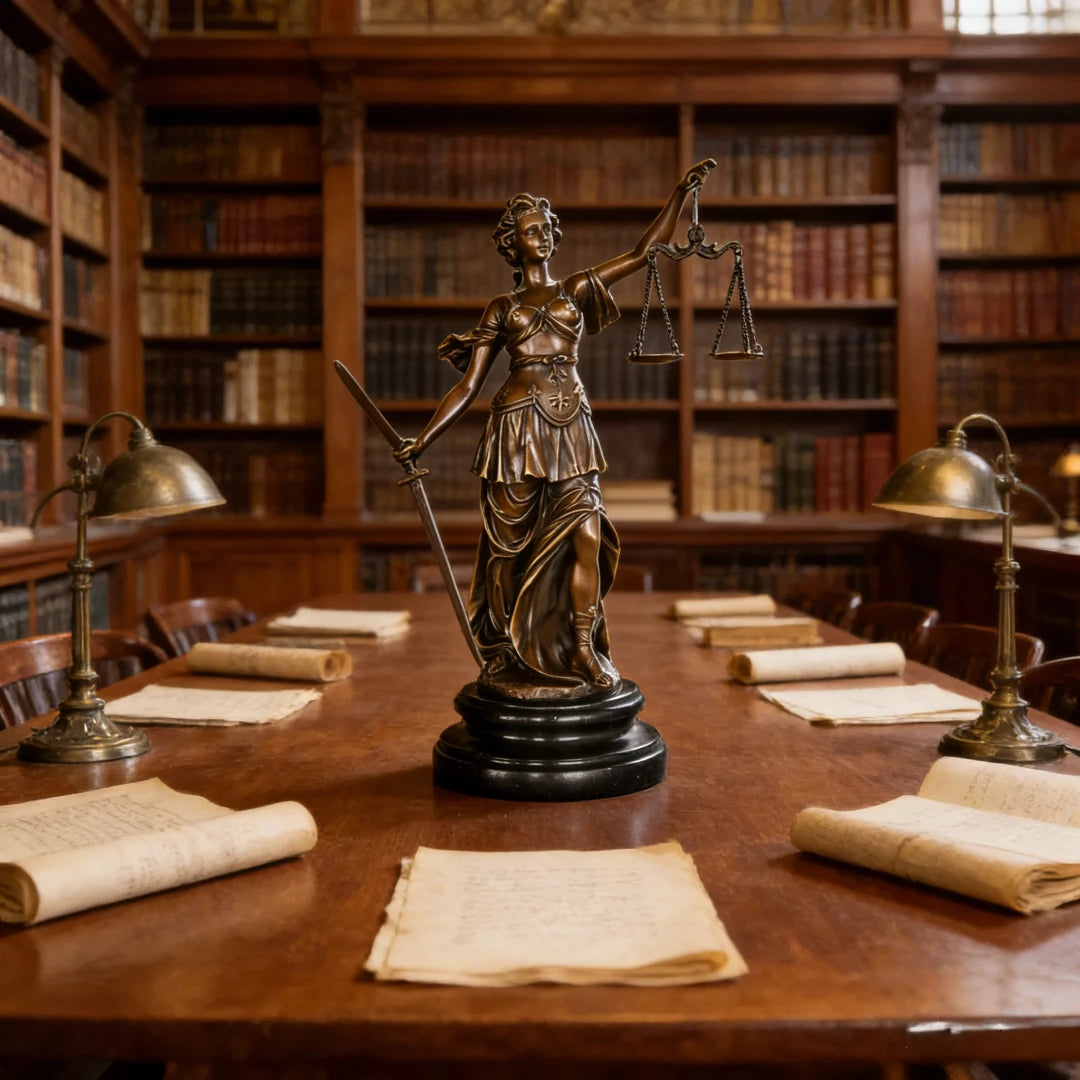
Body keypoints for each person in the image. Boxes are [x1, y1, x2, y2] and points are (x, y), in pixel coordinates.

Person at [395, 158, 716, 699]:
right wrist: (422, 440)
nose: (542, 236)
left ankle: (583, 647)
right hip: (517, 431)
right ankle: (504, 650)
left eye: (546, 228)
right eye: (531, 230)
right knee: (508, 551)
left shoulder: (575, 290)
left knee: (587, 533)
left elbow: (644, 253)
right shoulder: (503, 307)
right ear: (512, 245)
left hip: (571, 428)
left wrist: (680, 195)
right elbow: (469, 387)